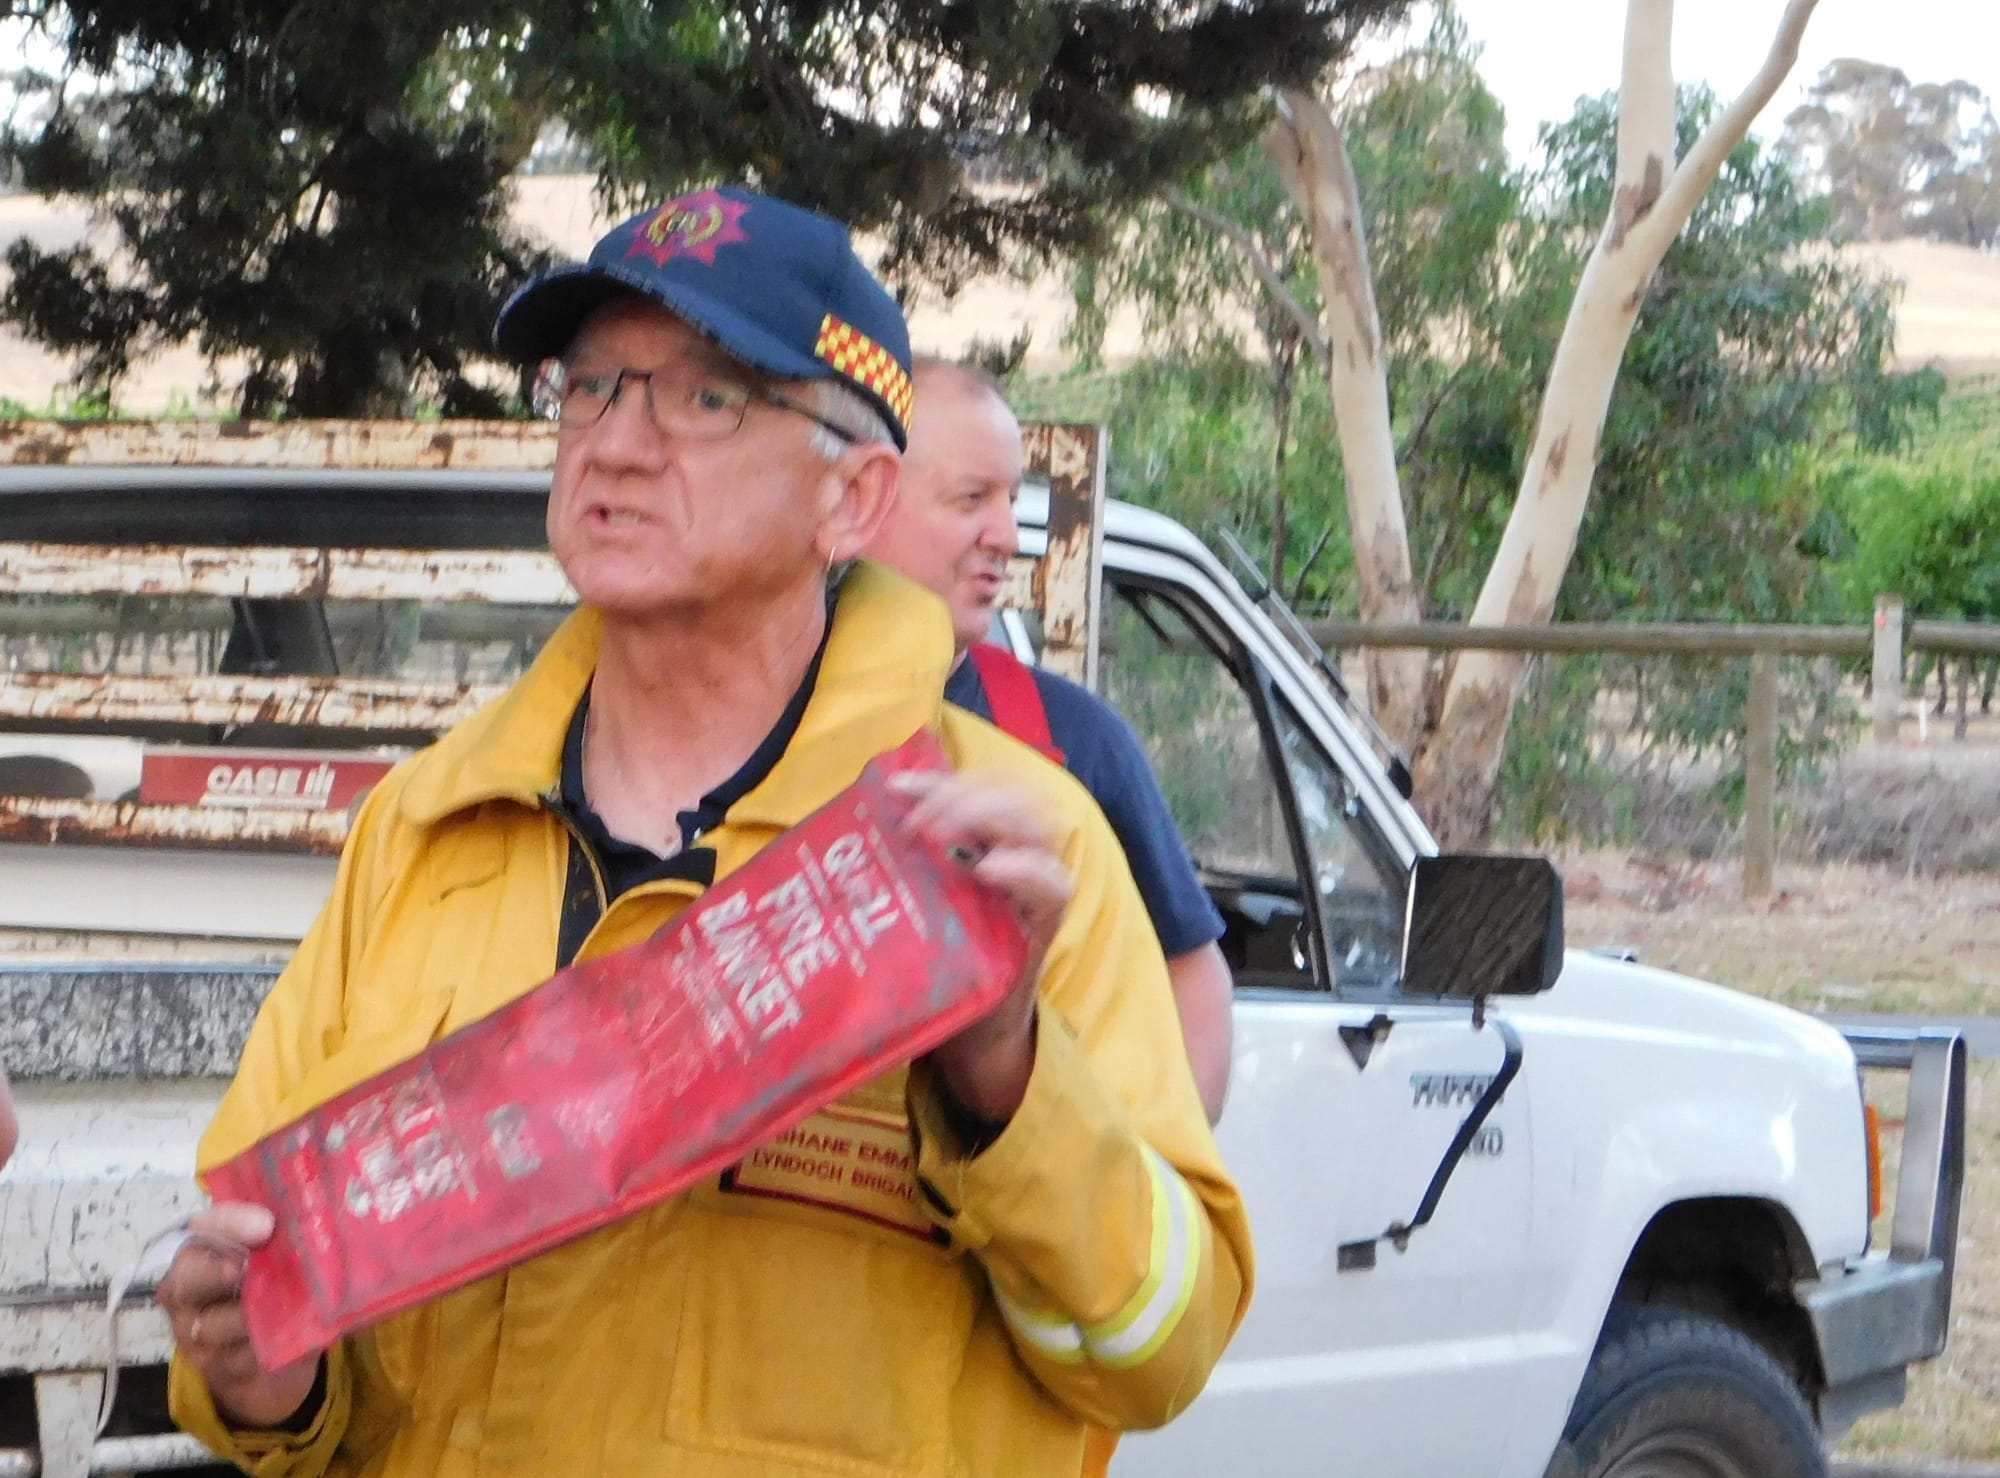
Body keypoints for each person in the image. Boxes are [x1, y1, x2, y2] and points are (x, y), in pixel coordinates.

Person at [159, 185, 1251, 1477]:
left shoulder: (984, 848)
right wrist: (273, 1385)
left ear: (855, 499)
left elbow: (1157, 1346)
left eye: (706, 397)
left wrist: (1006, 1071)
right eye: (591, 388)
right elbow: (261, 1298)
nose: (616, 443)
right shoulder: (427, 832)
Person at [868, 359, 1235, 1123]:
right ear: (858, 499)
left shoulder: (1073, 739)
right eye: (972, 499)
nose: (1007, 536)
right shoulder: (754, 715)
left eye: (1012, 499)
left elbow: (1192, 974)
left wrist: (1147, 1183)